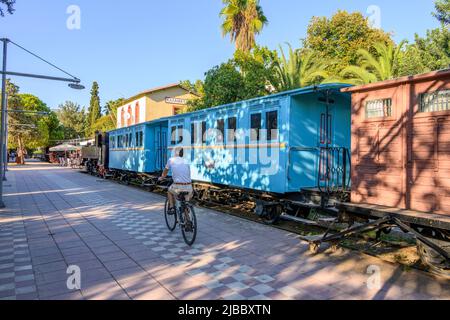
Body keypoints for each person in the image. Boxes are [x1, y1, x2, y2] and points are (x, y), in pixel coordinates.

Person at [159, 147, 193, 212]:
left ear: (175, 153)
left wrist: (162, 177)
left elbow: (165, 172)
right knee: (184, 203)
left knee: (169, 191)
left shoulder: (171, 160)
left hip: (178, 186)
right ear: (182, 154)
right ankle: (188, 220)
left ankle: (171, 207)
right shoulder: (186, 161)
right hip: (189, 187)